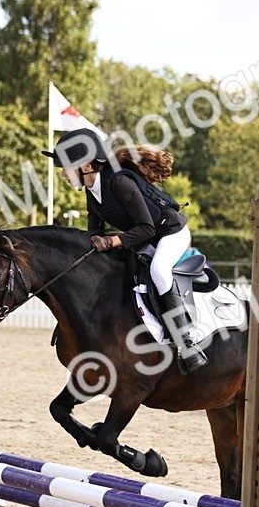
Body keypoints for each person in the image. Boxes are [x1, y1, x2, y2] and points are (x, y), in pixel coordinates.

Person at [43, 128, 208, 373]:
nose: (63, 175)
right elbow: (93, 232)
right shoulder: (92, 189)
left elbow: (147, 229)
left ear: (86, 165)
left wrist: (110, 243)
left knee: (159, 270)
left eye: (65, 168)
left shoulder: (120, 182)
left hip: (169, 233)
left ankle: (187, 342)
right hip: (143, 238)